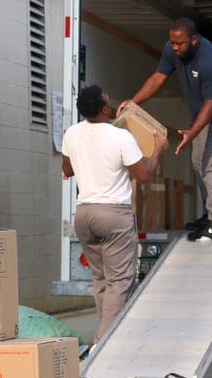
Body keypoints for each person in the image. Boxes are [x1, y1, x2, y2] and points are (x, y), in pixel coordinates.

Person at [62, 84, 168, 346]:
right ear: (104, 108)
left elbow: (67, 169)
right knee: (119, 282)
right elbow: (144, 174)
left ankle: (107, 331)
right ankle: (102, 343)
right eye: (108, 99)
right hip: (113, 215)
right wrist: (158, 148)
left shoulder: (71, 134)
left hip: (84, 214)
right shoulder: (120, 137)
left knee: (100, 279)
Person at [117, 17, 212, 241]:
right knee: (197, 163)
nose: (175, 48)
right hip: (201, 115)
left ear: (193, 40)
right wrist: (133, 102)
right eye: (172, 43)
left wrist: (192, 133)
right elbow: (158, 78)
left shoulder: (211, 61)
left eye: (180, 44)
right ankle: (208, 215)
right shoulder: (173, 47)